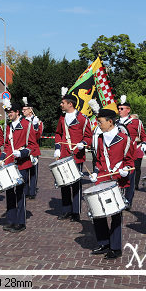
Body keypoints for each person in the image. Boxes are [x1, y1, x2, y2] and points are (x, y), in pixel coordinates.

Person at [88, 107, 134, 259]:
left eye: (100, 122)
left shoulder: (125, 139)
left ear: (110, 122)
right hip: (102, 178)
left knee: (115, 214)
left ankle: (115, 247)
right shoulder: (100, 138)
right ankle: (103, 243)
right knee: (98, 212)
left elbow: (129, 161)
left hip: (118, 180)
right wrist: (95, 172)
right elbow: (99, 160)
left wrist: (126, 170)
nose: (98, 125)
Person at [53, 89, 92, 222]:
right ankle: (66, 210)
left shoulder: (82, 118)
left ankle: (76, 211)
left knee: (76, 184)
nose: (61, 104)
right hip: (63, 155)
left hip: (76, 155)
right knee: (64, 183)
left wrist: (83, 143)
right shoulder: (62, 118)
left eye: (63, 102)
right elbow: (58, 133)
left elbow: (89, 136)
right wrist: (58, 147)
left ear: (70, 104)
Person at [0, 100, 37, 232]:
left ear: (17, 112)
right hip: (10, 164)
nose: (8, 114)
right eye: (7, 112)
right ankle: (11, 220)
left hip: (22, 164)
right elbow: (6, 145)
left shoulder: (27, 125)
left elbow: (33, 146)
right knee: (9, 192)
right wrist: (2, 158)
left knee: (20, 193)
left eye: (10, 112)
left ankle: (21, 222)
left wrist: (22, 152)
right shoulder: (9, 127)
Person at [116, 95, 146, 209]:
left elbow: (144, 137)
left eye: (121, 108)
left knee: (130, 178)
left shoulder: (136, 122)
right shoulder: (115, 122)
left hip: (132, 153)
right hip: (118, 154)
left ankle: (128, 201)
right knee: (118, 177)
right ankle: (119, 199)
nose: (119, 110)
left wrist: (144, 144)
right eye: (118, 108)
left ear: (128, 110)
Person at [21, 97, 43, 200]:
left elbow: (37, 137)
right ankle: (25, 191)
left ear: (30, 110)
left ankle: (32, 191)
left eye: (25, 110)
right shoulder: (21, 122)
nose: (23, 111)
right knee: (24, 170)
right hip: (24, 149)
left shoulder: (37, 121)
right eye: (22, 109)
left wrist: (36, 126)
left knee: (33, 172)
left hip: (33, 150)